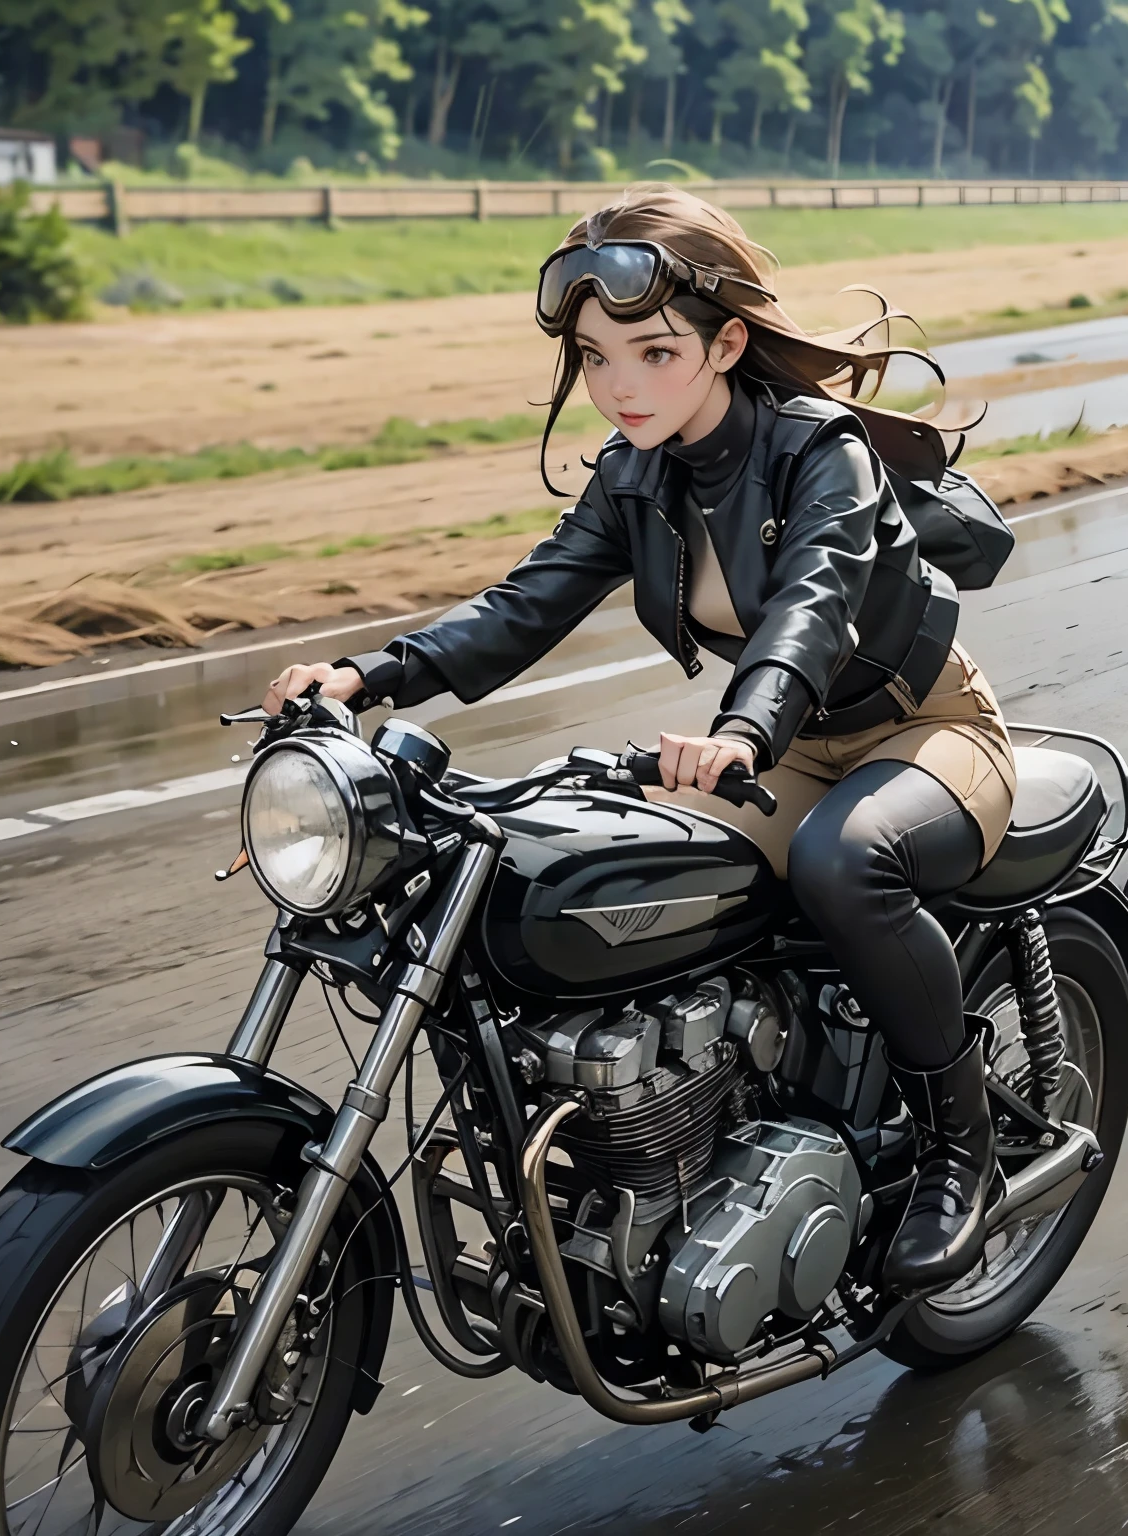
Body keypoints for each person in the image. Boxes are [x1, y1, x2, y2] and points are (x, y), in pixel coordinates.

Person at [262, 184, 1016, 1290]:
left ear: (727, 342)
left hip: (923, 729)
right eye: (595, 356)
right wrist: (370, 674)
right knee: (589, 883)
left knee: (843, 863)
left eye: (654, 352)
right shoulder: (636, 476)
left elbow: (815, 607)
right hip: (784, 753)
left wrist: (742, 732)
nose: (619, 386)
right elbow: (521, 606)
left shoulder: (825, 453)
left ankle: (964, 1152)